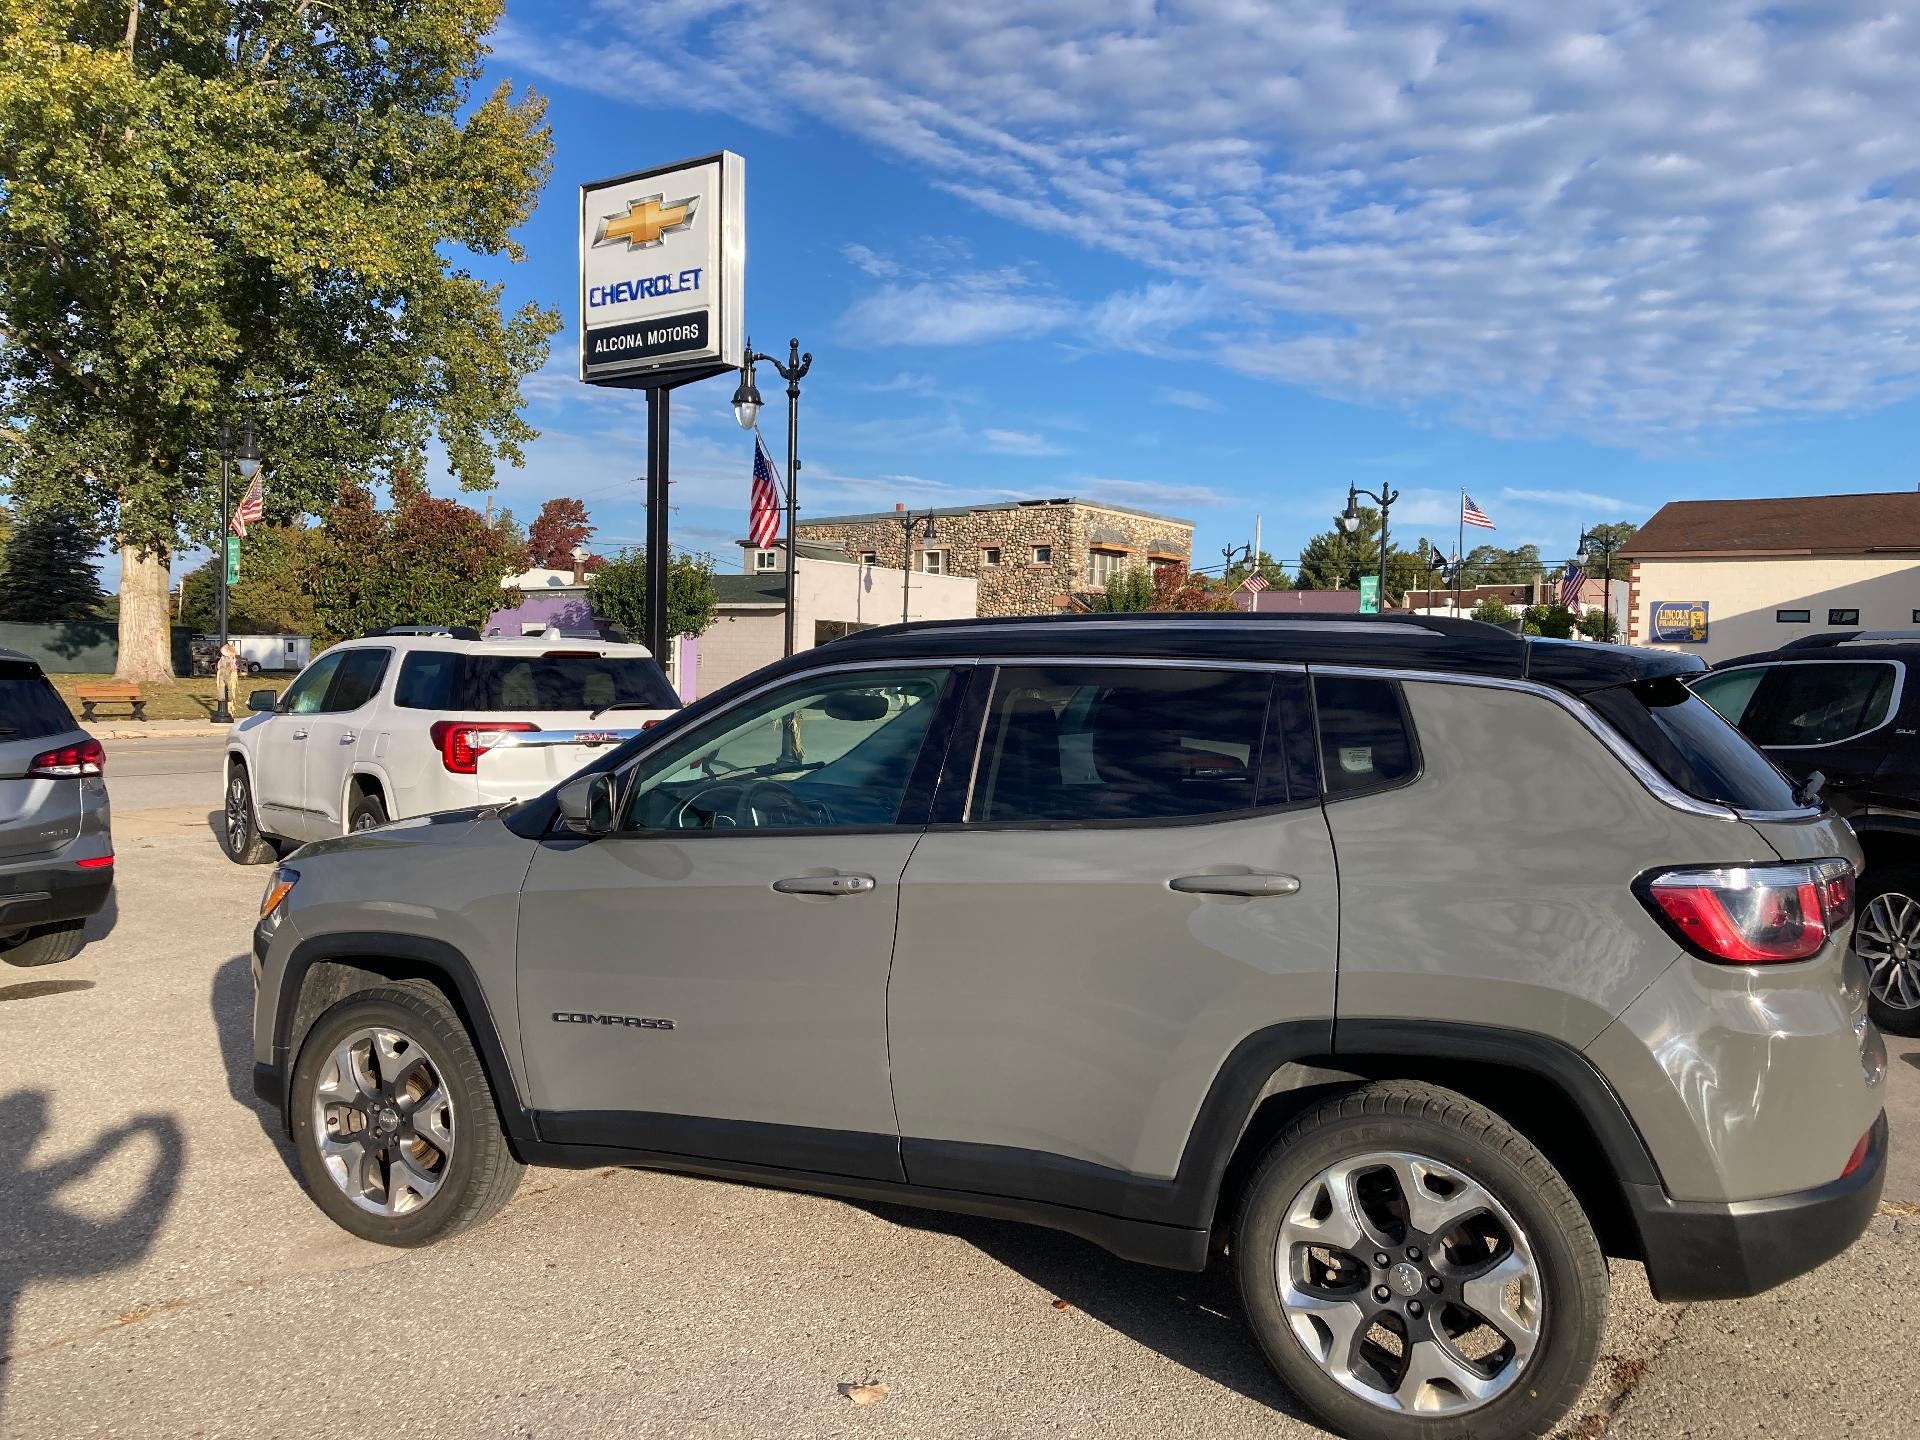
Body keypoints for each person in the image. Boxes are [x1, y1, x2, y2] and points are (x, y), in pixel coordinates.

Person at [215, 641, 240, 713]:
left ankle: (228, 699)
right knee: (224, 686)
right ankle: (224, 698)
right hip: (225, 675)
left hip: (227, 675)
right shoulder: (225, 658)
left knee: (228, 686)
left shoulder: (230, 658)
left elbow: (220, 667)